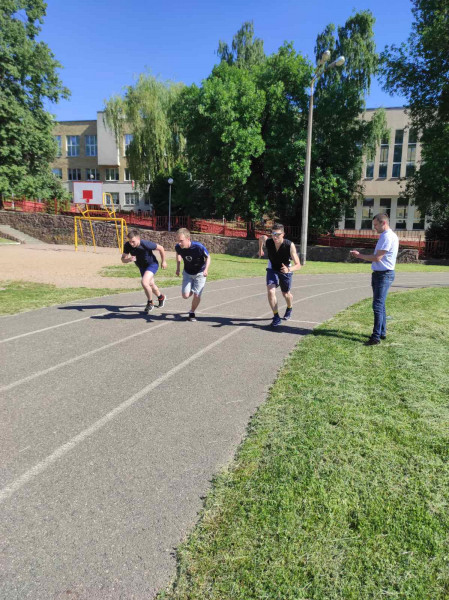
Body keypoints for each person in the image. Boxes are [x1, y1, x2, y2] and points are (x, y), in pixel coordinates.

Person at [350, 213, 399, 345]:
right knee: (380, 305)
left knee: (377, 305)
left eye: (376, 225)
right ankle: (381, 332)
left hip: (384, 275)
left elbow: (377, 258)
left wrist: (359, 255)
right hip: (380, 274)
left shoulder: (387, 237)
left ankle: (376, 337)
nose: (374, 227)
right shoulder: (386, 235)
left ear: (384, 223)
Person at [258, 223, 301, 327]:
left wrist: (288, 269)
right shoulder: (269, 242)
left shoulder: (289, 245)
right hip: (272, 268)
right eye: (273, 234)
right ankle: (276, 316)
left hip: (285, 269)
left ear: (283, 234)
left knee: (286, 294)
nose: (275, 237)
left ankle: (289, 307)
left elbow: (298, 265)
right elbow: (261, 238)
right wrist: (260, 249)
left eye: (278, 234)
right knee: (270, 291)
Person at [121, 229, 167, 314]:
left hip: (152, 265)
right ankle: (161, 297)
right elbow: (123, 259)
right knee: (151, 285)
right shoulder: (127, 245)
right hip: (142, 267)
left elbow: (161, 248)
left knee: (144, 282)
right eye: (130, 241)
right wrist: (129, 259)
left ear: (138, 239)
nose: (131, 244)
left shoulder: (146, 244)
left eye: (133, 241)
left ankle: (150, 303)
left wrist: (163, 261)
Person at [175, 228, 210, 322]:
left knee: (197, 295)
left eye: (181, 241)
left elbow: (208, 257)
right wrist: (178, 268)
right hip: (187, 272)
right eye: (178, 241)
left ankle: (192, 312)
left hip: (200, 273)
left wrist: (206, 269)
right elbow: (178, 254)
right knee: (185, 296)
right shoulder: (178, 247)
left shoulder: (198, 247)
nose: (179, 243)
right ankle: (192, 289)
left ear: (188, 239)